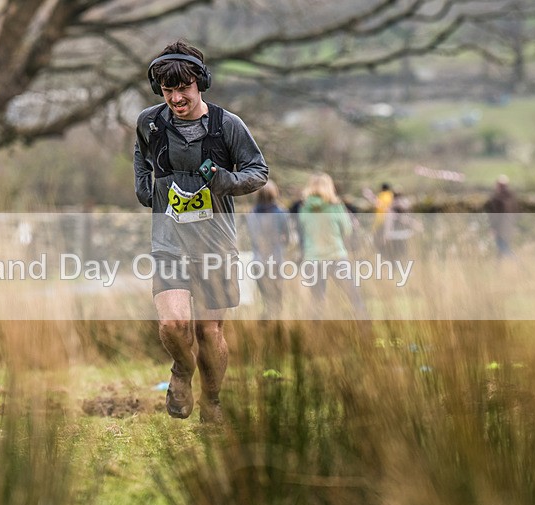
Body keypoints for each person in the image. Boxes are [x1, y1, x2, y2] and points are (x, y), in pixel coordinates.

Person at [134, 41, 269, 423]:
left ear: (200, 84)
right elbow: (141, 158)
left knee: (209, 330)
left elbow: (258, 171)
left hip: (216, 243)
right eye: (168, 90)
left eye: (184, 88)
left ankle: (212, 402)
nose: (177, 98)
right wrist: (145, 188)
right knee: (173, 324)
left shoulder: (227, 125)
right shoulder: (150, 122)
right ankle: (181, 369)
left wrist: (224, 180)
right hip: (169, 241)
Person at [299, 172, 368, 320]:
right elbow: (347, 230)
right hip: (336, 256)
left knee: (317, 301)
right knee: (354, 297)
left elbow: (303, 230)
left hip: (313, 259)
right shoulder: (336, 206)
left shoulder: (304, 208)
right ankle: (365, 329)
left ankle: (315, 336)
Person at [246, 180, 290, 318]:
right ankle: (276, 326)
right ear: (274, 194)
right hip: (276, 260)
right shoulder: (282, 213)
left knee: (266, 299)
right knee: (277, 298)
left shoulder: (251, 215)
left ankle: (268, 322)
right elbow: (287, 238)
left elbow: (252, 237)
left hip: (258, 261)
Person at [382, 190, 423, 262]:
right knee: (404, 256)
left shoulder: (391, 206)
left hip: (394, 235)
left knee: (396, 256)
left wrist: (386, 234)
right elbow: (409, 220)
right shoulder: (404, 206)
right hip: (404, 235)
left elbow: (389, 222)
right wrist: (417, 226)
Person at [484, 174, 518, 257]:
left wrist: (493, 227)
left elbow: (494, 215)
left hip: (501, 228)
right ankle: (498, 267)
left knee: (503, 247)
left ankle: (516, 263)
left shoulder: (497, 198)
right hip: (508, 227)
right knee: (502, 248)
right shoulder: (511, 197)